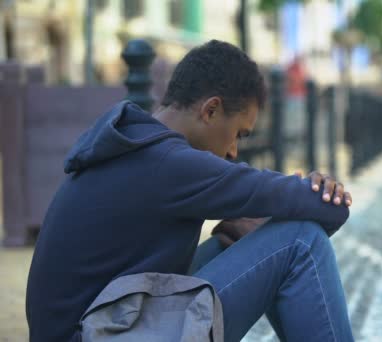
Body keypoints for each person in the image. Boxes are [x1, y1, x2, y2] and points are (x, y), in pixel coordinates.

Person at [25, 40, 354, 342]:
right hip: (104, 333)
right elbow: (329, 209)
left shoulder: (136, 144)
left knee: (240, 243)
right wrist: (315, 194)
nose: (234, 152)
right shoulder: (170, 164)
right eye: (239, 133)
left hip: (105, 324)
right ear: (210, 110)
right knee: (300, 240)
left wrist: (254, 230)